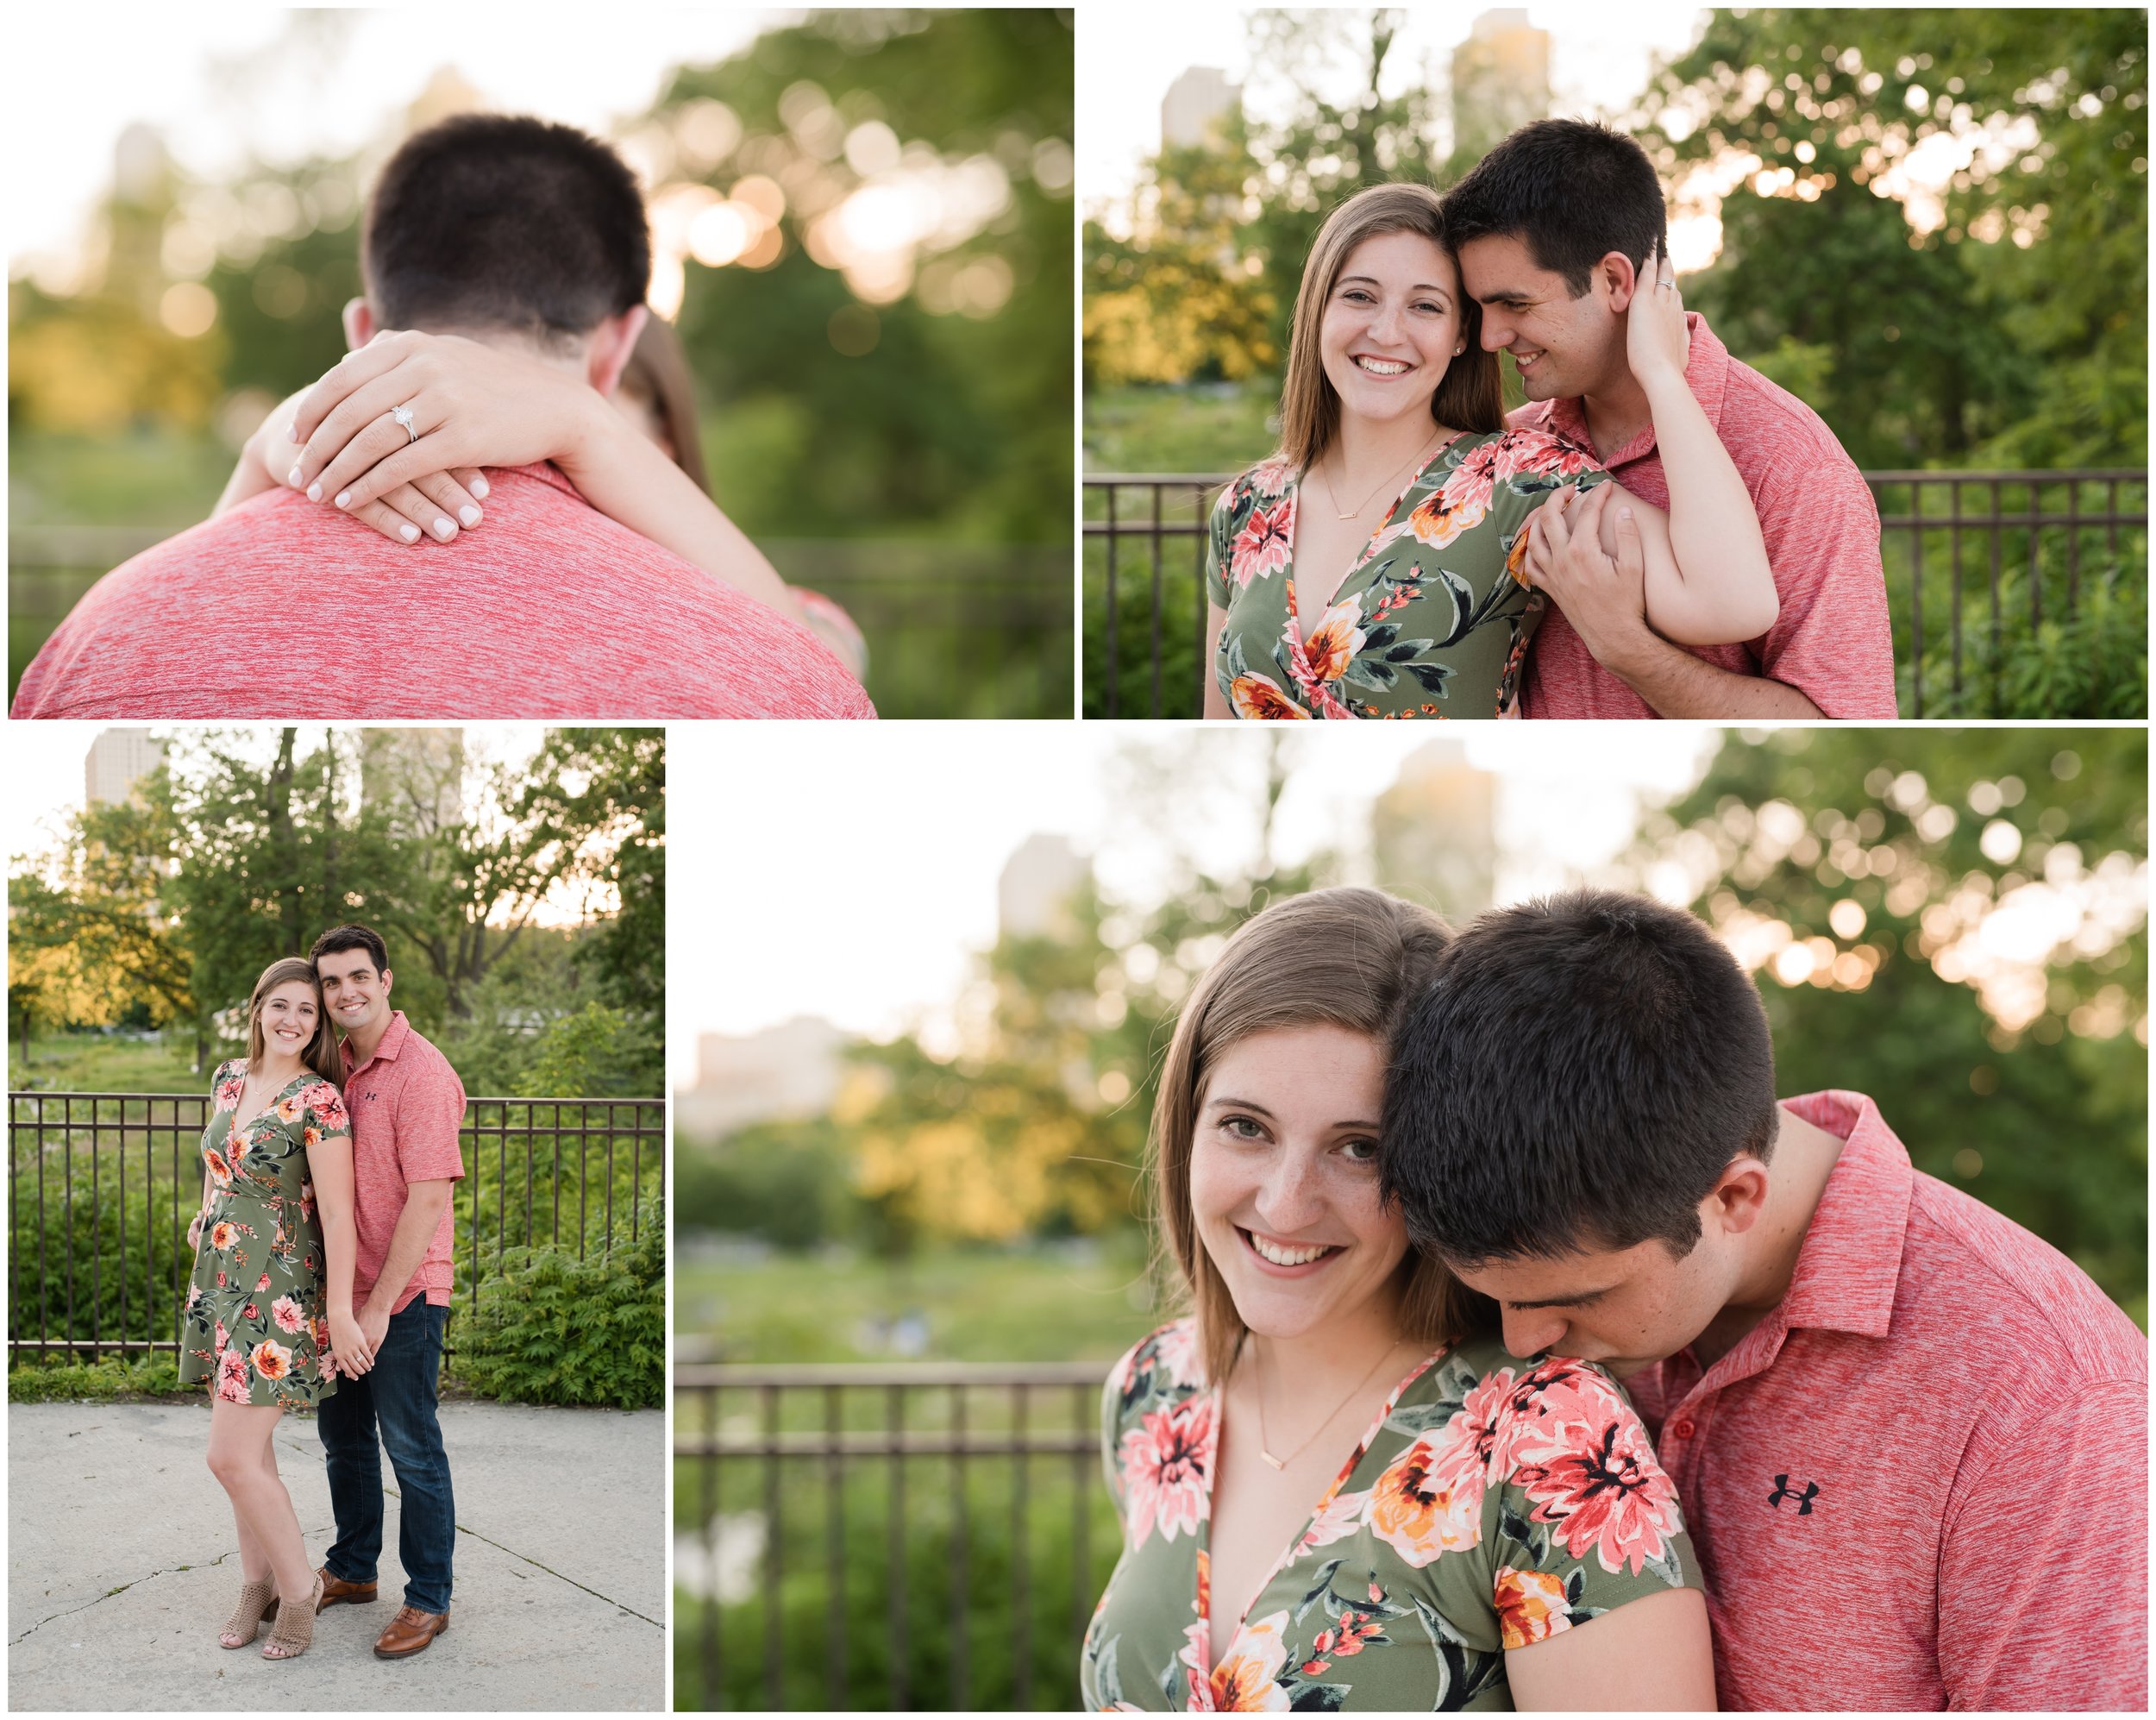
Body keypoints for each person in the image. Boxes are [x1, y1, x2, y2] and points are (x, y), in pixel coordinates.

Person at [1382, 888, 2148, 1710]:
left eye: (1580, 1296)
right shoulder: (1616, 1244)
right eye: (1493, 1297)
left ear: (1737, 1199)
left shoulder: (2049, 1409)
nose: (1524, 1343)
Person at [9, 113, 873, 720]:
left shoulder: (97, 632)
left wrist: (275, 453)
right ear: (618, 348)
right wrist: (587, 422)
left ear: (360, 333)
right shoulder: (770, 666)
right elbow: (820, 672)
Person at [1081, 888, 1715, 1711]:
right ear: (1187, 1126)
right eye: (1247, 1127)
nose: (1285, 1203)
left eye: (1358, 1148)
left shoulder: (1546, 1440)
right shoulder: (1152, 1391)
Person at [1202, 180, 1777, 720]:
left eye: (1425, 306)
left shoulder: (1519, 482)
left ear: (1460, 334)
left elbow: (1732, 603)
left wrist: (1661, 374)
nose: (1386, 331)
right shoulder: (1245, 506)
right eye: (1359, 296)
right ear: (1318, 311)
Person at [1444, 119, 1900, 720]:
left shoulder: (1793, 463)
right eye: (1480, 307)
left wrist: (1628, 648)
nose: (1492, 335)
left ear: (1613, 281)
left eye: (1515, 304)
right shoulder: (1517, 444)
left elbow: (1843, 728)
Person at [182, 958, 363, 1662]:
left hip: (279, 1289)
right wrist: (206, 1217)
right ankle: (254, 1585)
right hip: (220, 1277)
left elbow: (340, 1218)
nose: (293, 1020)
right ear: (258, 1007)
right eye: (281, 1005)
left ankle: (298, 1589)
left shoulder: (319, 1100)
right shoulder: (230, 1076)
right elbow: (216, 1163)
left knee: (228, 1456)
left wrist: (340, 1311)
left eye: (308, 1012)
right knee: (251, 1455)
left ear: (318, 1026)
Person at [308, 924, 467, 1660]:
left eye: (357, 977)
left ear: (387, 980)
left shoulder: (423, 1074)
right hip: (342, 1291)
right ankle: (352, 1566)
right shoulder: (332, 1066)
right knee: (343, 1442)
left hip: (402, 1296)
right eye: (332, 982)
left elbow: (427, 1199)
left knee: (411, 1448)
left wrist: (376, 1306)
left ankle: (429, 1598)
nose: (345, 992)